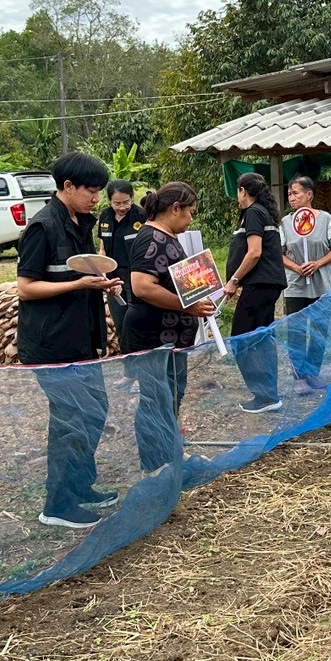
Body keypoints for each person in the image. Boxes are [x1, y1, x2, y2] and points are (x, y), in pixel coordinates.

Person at [17, 151, 123, 531]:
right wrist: (78, 284)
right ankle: (58, 504)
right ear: (68, 187)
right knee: (70, 419)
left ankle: (80, 486)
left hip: (81, 337)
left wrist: (102, 283)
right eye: (91, 191)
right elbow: (26, 288)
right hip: (51, 342)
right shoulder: (42, 227)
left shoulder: (81, 223)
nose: (96, 198)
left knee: (94, 409)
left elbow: (83, 270)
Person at [123, 182, 217, 472]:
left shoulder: (167, 236)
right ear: (174, 208)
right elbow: (141, 286)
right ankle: (155, 464)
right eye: (190, 213)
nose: (191, 220)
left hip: (173, 337)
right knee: (155, 399)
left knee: (171, 395)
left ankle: (170, 451)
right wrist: (187, 306)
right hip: (153, 337)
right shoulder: (151, 238)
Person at [222, 173, 286, 413]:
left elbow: (254, 252)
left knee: (242, 339)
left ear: (242, 190)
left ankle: (265, 395)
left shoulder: (253, 212)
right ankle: (269, 393)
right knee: (260, 338)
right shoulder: (261, 212)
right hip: (265, 285)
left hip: (260, 285)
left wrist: (234, 280)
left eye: (237, 192)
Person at [279, 176, 331, 396]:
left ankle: (312, 373)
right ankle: (298, 376)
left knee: (319, 330)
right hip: (295, 286)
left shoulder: (325, 219)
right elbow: (278, 254)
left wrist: (317, 263)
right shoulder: (285, 223)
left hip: (322, 285)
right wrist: (297, 267)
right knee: (296, 331)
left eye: (296, 193)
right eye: (289, 193)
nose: (292, 197)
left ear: (309, 195)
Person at [98, 179, 146, 349]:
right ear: (109, 201)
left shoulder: (141, 216)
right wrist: (103, 276)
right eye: (116, 203)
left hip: (136, 278)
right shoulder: (105, 216)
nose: (122, 207)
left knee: (138, 323)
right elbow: (103, 248)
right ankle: (129, 369)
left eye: (126, 202)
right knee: (120, 324)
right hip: (114, 280)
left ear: (132, 198)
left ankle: (145, 367)